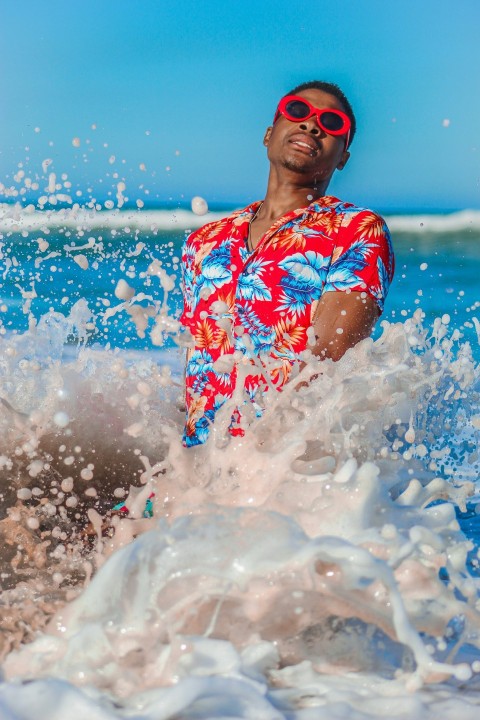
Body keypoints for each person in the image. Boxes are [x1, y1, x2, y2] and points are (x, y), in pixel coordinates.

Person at [180, 81, 394, 448]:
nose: (312, 125)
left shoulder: (356, 230)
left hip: (280, 466)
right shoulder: (203, 242)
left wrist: (258, 457)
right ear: (268, 134)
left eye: (332, 123)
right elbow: (195, 365)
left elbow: (328, 360)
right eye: (297, 111)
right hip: (195, 465)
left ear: (342, 157)